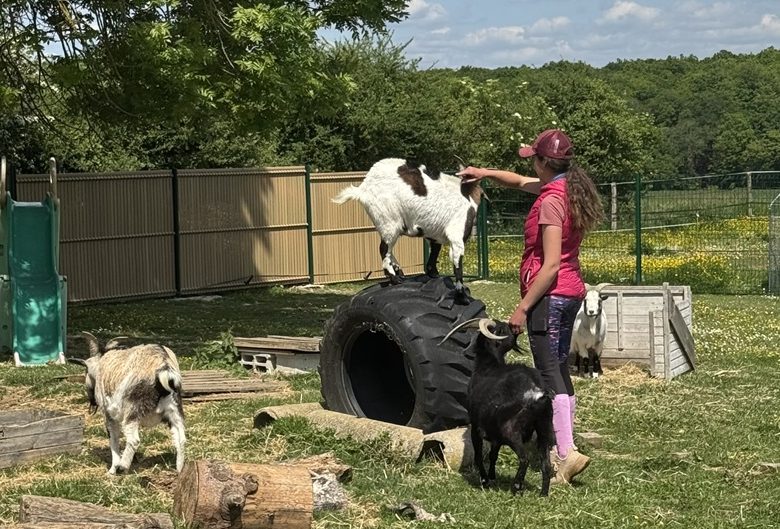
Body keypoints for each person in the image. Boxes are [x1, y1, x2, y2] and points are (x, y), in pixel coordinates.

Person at [457, 129, 603, 485]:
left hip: (549, 296)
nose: (530, 166)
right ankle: (565, 446)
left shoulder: (552, 201)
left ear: (543, 162)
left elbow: (550, 263)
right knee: (560, 369)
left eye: (533, 159)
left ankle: (563, 454)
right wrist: (486, 173)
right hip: (569, 294)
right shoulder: (566, 188)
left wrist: (523, 307)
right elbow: (519, 181)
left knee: (549, 372)